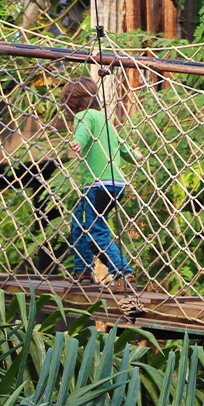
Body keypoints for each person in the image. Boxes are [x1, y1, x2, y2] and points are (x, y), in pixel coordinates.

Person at [61, 78, 136, 289]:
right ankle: (83, 271)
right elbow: (120, 145)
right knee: (79, 223)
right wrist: (134, 155)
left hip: (97, 185)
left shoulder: (83, 116)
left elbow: (82, 133)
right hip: (116, 184)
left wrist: (78, 142)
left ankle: (122, 273)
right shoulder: (104, 119)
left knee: (96, 230)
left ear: (73, 102)